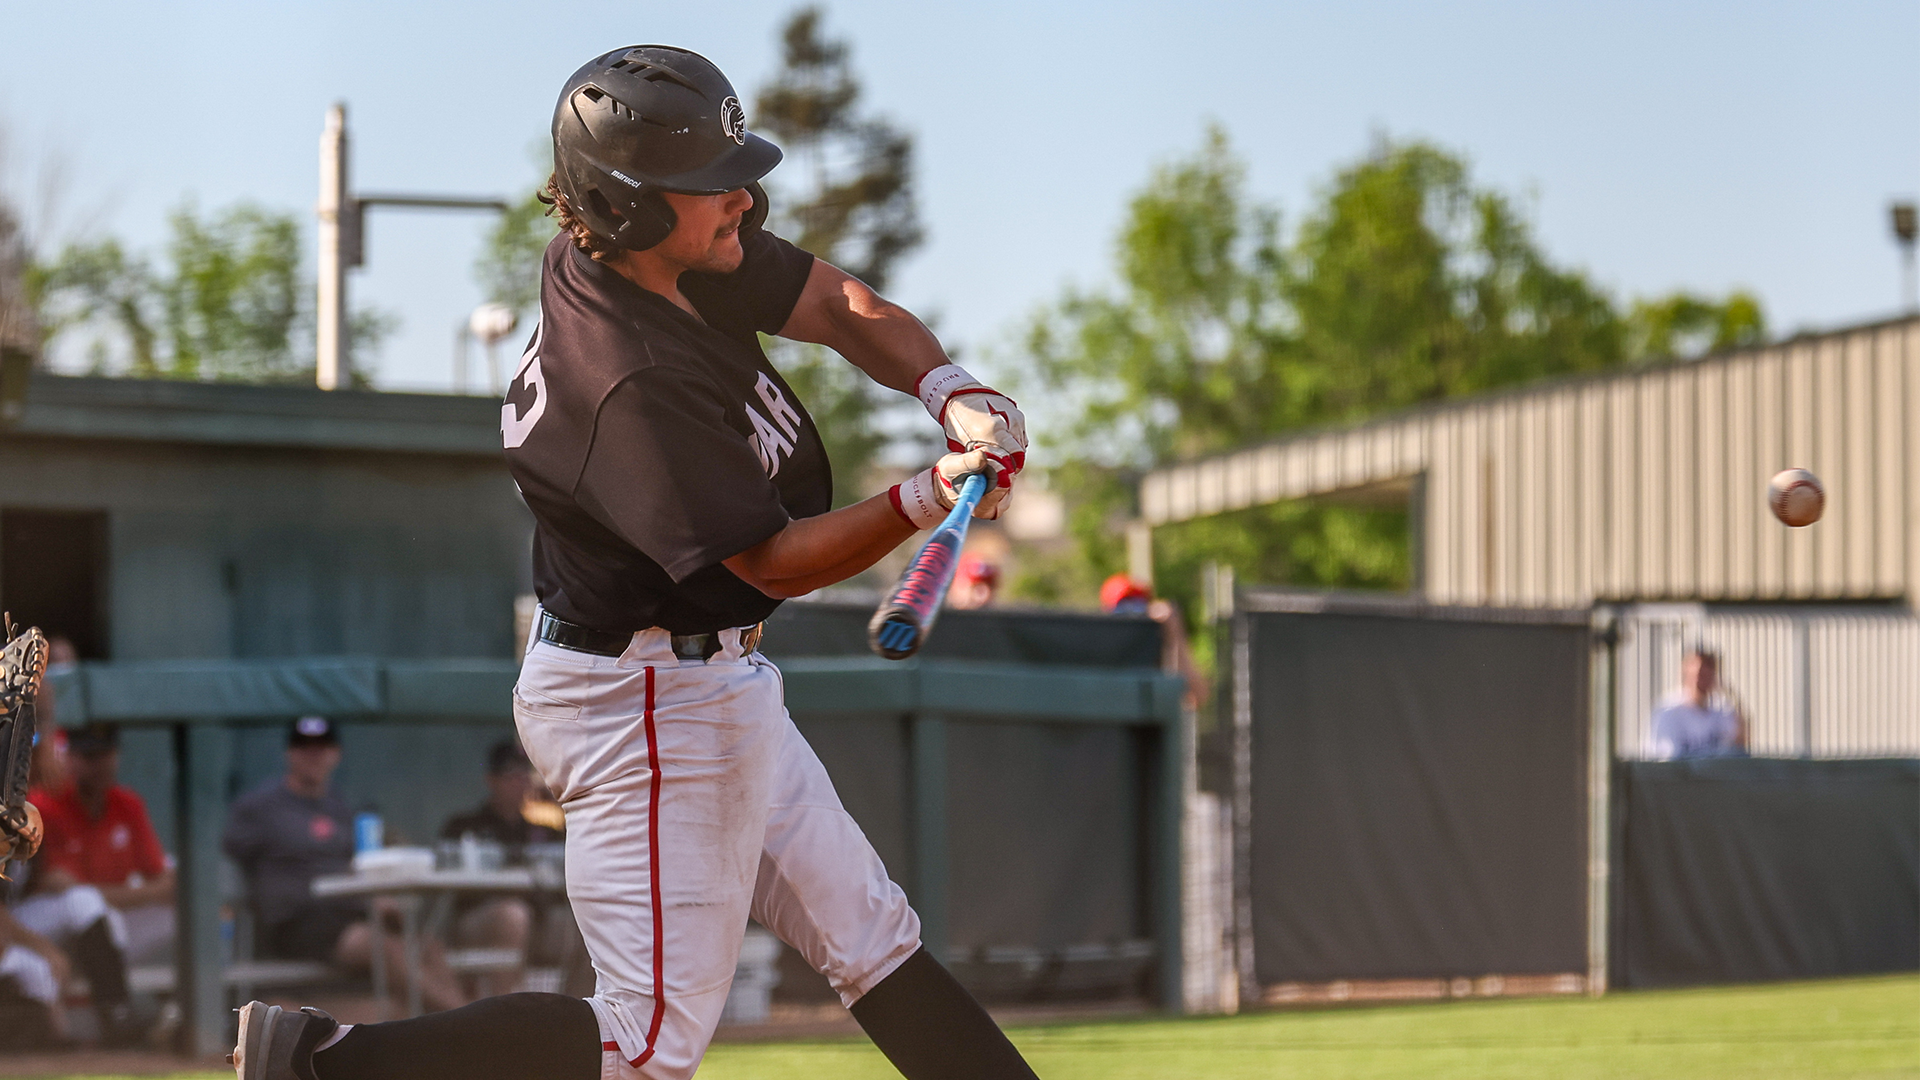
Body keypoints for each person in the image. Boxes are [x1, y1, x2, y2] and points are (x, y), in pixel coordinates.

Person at [230, 45, 1035, 1080]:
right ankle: (321, 1062)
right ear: (627, 207)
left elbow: (838, 307)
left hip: (705, 674)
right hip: (640, 696)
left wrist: (947, 388)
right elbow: (770, 564)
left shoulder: (675, 260)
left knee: (872, 939)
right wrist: (924, 496)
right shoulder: (628, 383)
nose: (743, 200)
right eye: (711, 187)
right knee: (644, 1045)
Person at [222, 717, 468, 1013]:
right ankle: (470, 1024)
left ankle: (455, 1026)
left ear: (335, 754)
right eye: (304, 747)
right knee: (386, 950)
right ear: (289, 753)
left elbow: (359, 864)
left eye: (321, 748)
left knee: (427, 945)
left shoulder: (339, 807)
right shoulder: (261, 807)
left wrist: (377, 896)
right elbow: (228, 853)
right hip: (297, 920)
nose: (313, 755)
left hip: (349, 911)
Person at [27, 722, 176, 965]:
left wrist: (140, 893)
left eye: (106, 754)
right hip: (47, 923)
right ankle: (113, 999)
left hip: (108, 917)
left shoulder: (127, 803)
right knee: (85, 903)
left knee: (177, 893)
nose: (100, 765)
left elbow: (165, 881)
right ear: (67, 757)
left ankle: (118, 992)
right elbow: (60, 887)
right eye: (89, 757)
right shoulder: (44, 804)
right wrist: (146, 893)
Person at [437, 740, 564, 992]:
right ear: (491, 780)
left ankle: (575, 1016)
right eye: (509, 775)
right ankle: (505, 1018)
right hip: (475, 920)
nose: (519, 783)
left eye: (523, 775)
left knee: (581, 924)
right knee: (512, 916)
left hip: (538, 917)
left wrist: (560, 800)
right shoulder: (464, 827)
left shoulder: (545, 832)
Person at [1650, 648, 1749, 759]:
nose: (1703, 677)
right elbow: (1667, 758)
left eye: (1709, 670)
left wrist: (1732, 695)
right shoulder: (1669, 711)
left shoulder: (1720, 711)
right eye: (1699, 673)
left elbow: (1738, 748)